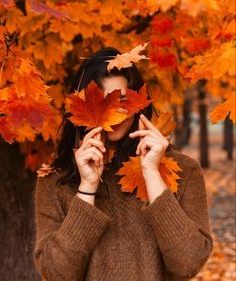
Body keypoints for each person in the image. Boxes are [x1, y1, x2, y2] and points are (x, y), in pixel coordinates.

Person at [33, 47, 213, 281]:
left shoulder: (184, 171)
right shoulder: (56, 181)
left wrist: (151, 174)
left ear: (140, 103)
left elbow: (188, 263)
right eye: (104, 101)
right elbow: (56, 274)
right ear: (82, 107)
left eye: (124, 100)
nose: (117, 111)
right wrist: (87, 188)